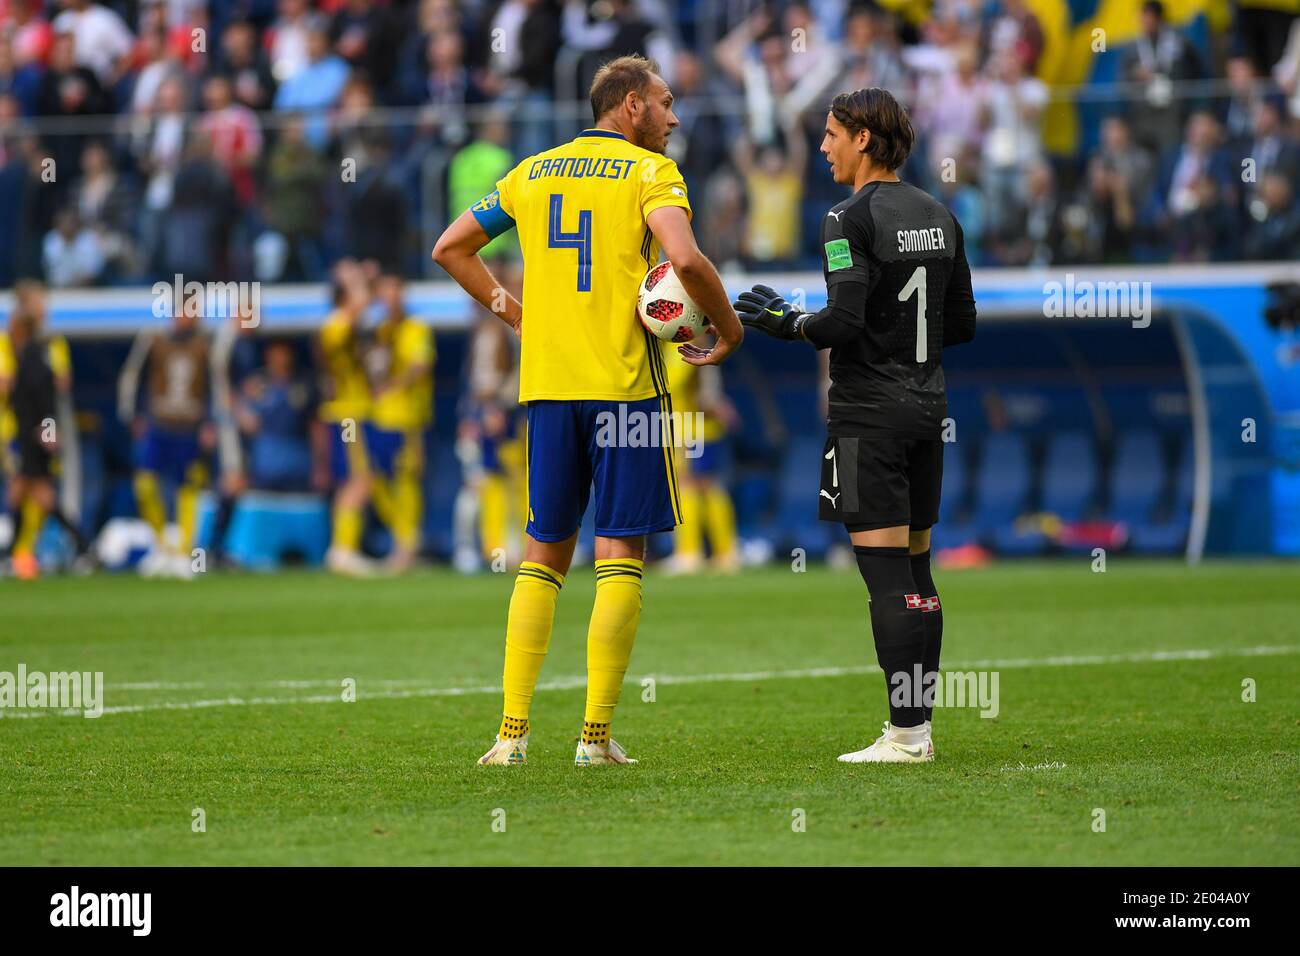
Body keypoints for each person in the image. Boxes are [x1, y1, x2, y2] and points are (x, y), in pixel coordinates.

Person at [433, 54, 743, 767]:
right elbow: (687, 261)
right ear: (630, 105)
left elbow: (450, 248)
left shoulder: (531, 171)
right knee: (620, 554)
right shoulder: (650, 173)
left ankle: (510, 738)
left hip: (548, 389)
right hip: (626, 389)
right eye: (665, 103)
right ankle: (593, 740)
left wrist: (515, 313)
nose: (672, 117)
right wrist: (728, 329)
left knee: (544, 553)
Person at [734, 87, 976, 763]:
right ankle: (918, 730)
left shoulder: (847, 218)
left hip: (868, 417)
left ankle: (905, 735)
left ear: (864, 138)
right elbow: (961, 324)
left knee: (885, 580)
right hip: (929, 413)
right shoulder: (939, 213)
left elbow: (838, 322)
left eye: (832, 133)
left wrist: (788, 322)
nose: (822, 146)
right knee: (919, 577)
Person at [117, 290, 214, 578]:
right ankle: (161, 546)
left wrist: (211, 422)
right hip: (159, 424)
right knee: (145, 484)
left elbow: (214, 384)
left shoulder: (205, 344)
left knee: (189, 488)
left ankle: (185, 553)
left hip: (190, 426)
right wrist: (132, 415)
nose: (192, 316)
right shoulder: (154, 339)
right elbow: (131, 376)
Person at [0, 280, 88, 578]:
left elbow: (57, 387)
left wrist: (47, 428)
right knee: (29, 490)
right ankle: (25, 553)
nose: (44, 308)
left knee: (28, 490)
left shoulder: (47, 346)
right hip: (13, 428)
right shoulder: (11, 344)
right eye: (39, 302)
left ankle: (20, 553)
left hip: (33, 428)